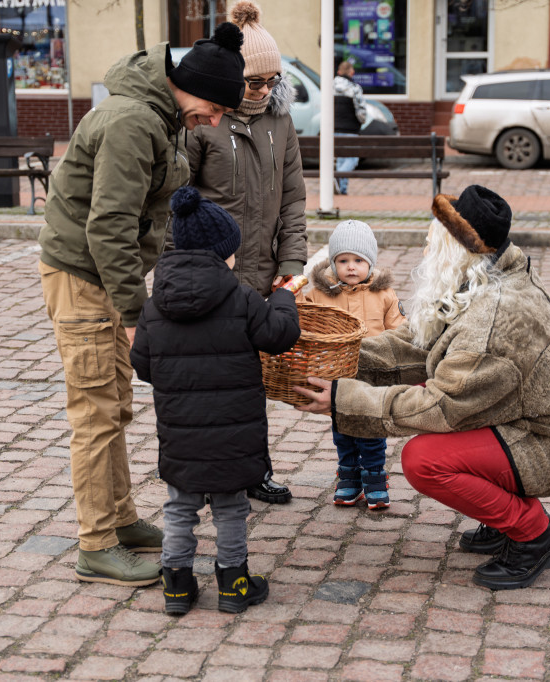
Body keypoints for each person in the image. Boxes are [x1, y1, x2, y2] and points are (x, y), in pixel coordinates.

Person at [295, 185, 550, 591]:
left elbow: (441, 405)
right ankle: (503, 518)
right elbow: (414, 345)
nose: (426, 250)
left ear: (460, 251)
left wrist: (342, 397)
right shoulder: (481, 279)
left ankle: (534, 534)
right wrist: (335, 354)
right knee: (438, 440)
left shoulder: (495, 316)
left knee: (425, 459)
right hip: (522, 421)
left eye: (433, 243)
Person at [37, 24, 246, 588]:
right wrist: (135, 316)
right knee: (96, 414)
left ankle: (121, 520)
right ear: (193, 88)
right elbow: (107, 226)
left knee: (117, 405)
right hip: (85, 277)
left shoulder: (160, 114)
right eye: (217, 107)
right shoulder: (133, 121)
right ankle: (96, 544)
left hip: (106, 276)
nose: (217, 120)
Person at [130, 186, 301, 615]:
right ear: (222, 253)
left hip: (180, 433)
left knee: (179, 508)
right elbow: (279, 336)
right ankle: (233, 584)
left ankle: (176, 585)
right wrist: (283, 297)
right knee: (230, 508)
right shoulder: (241, 298)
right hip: (232, 433)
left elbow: (143, 365)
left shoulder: (153, 306)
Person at [187, 0, 308, 505]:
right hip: (214, 280)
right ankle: (208, 473)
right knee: (211, 384)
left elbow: (295, 199)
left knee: (252, 385)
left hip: (263, 280)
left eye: (272, 81)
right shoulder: (205, 122)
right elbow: (180, 202)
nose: (263, 91)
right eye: (254, 82)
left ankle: (253, 469)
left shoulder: (280, 124)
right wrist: (196, 269)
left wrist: (293, 264)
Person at [304, 220, 405, 509]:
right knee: (343, 428)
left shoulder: (383, 294)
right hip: (337, 376)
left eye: (358, 260)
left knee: (371, 429)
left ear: (370, 264)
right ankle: (348, 474)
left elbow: (398, 331)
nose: (351, 267)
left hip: (372, 376)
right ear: (333, 263)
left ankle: (375, 475)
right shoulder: (320, 295)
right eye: (343, 260)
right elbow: (303, 316)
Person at [333, 60, 367, 195]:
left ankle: (342, 189)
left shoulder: (329, 86)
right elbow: (361, 113)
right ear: (352, 73)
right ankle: (338, 176)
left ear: (339, 72)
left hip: (334, 129)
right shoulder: (355, 88)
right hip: (350, 130)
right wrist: (361, 121)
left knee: (341, 158)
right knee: (352, 159)